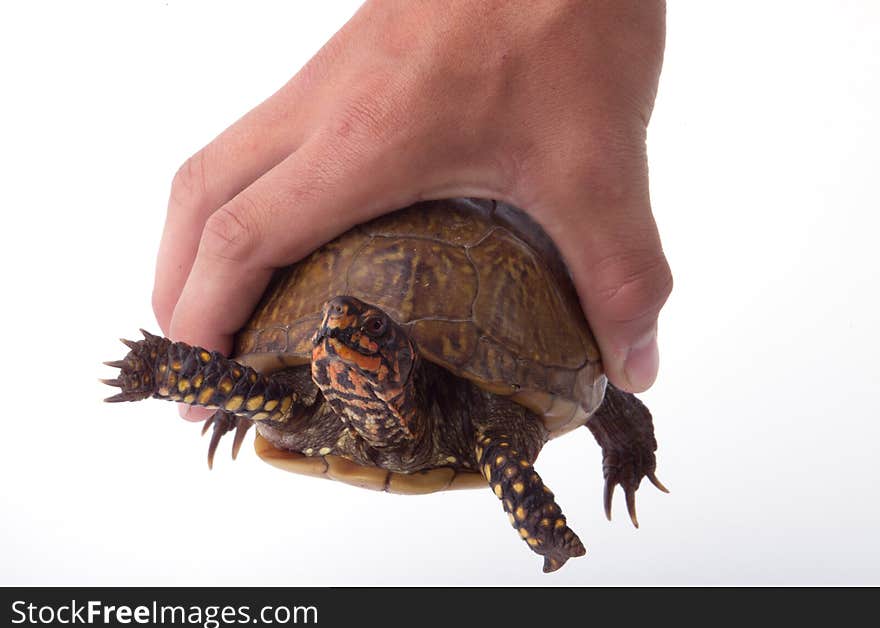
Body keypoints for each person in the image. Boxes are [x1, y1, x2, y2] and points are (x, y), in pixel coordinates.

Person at [151, 0, 672, 421]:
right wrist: (168, 370)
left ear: (400, 357)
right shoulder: (300, 393)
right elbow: (246, 381)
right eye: (337, 325)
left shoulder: (477, 410)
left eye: (370, 332)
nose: (337, 324)